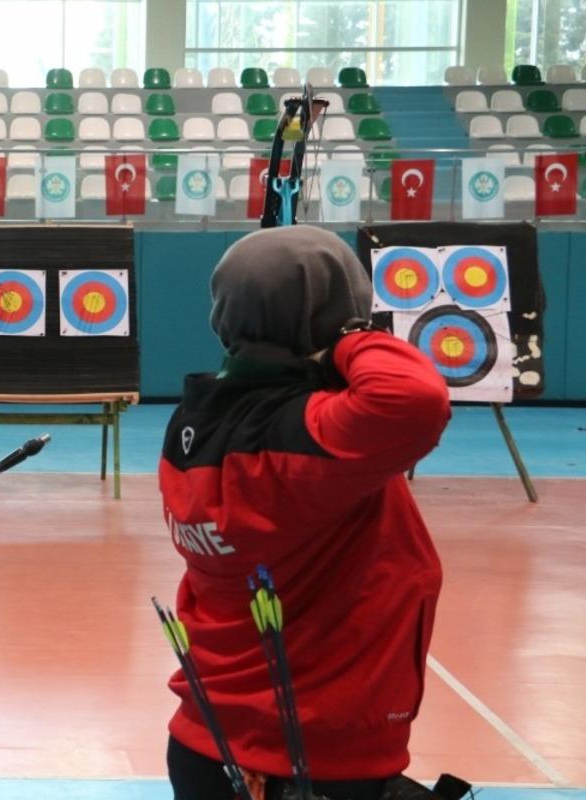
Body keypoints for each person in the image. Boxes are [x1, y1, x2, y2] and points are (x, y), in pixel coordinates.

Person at [159, 226, 450, 800]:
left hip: (205, 744)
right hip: (314, 764)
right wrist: (347, 337)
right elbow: (416, 396)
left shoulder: (193, 424)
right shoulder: (313, 437)